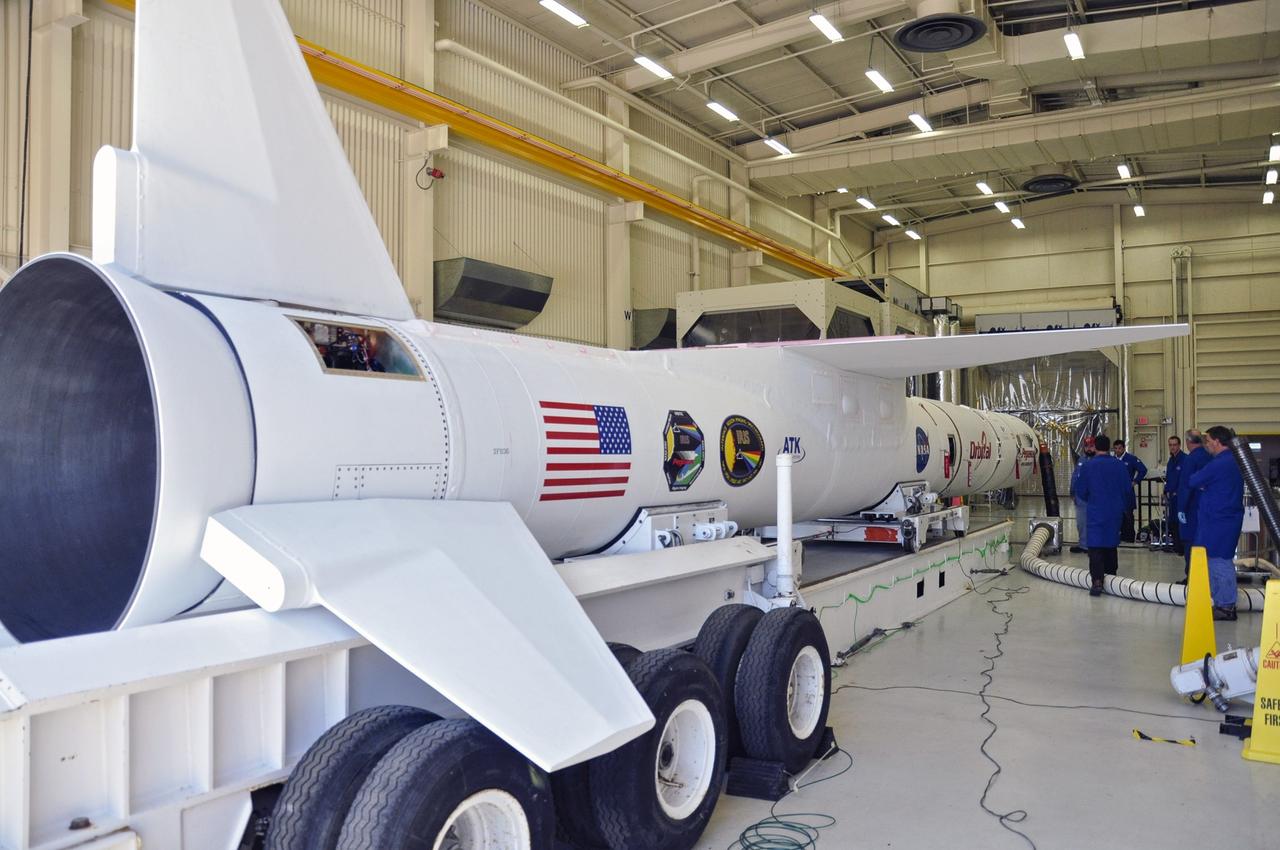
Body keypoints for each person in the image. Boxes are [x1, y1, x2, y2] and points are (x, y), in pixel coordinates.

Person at [1188, 426, 1245, 620]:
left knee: (1219, 561)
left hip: (1219, 521)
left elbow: (1195, 480)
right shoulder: (1233, 461)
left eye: (1208, 441)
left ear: (1217, 442)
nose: (1206, 445)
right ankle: (1220, 602)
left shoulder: (1220, 463)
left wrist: (1204, 483)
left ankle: (1226, 606)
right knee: (1215, 560)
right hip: (1223, 518)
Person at [1076, 435, 1136, 596]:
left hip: (1095, 510)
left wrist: (1093, 499)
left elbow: (1080, 491)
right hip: (1114, 511)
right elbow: (1127, 489)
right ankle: (1111, 577)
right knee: (1111, 544)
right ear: (1109, 447)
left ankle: (1097, 582)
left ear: (1095, 447)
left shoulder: (1088, 466)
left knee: (1095, 546)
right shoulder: (1119, 465)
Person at [1176, 430, 1211, 579]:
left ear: (1188, 442)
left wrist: (1181, 508)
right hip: (1208, 506)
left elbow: (1186, 485)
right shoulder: (1210, 456)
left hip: (1192, 507)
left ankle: (1192, 576)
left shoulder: (1191, 459)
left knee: (1191, 541)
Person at [1112, 440, 1147, 543]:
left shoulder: (1131, 459)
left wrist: (1135, 481)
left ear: (1123, 448)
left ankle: (1129, 537)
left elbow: (1143, 470)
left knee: (1128, 515)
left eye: (1119, 448)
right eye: (1115, 448)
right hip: (1115, 493)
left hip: (1127, 492)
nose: (1117, 450)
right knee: (1116, 515)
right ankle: (1118, 536)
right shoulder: (1112, 460)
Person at [1069, 436, 1097, 553]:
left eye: (1091, 446)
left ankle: (1094, 546)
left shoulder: (1098, 461)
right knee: (1081, 522)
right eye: (1086, 446)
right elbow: (1076, 476)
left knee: (1094, 522)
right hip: (1080, 497)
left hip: (1094, 497)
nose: (1089, 449)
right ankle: (1083, 544)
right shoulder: (1081, 460)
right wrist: (1073, 492)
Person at [1163, 435, 1187, 553]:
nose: (1172, 447)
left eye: (1174, 445)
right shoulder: (1171, 461)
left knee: (1180, 522)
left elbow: (1185, 479)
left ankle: (1182, 548)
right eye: (1170, 445)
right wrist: (1166, 491)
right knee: (1172, 522)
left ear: (1179, 445)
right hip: (1171, 497)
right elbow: (1169, 478)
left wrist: (1178, 492)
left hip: (1180, 496)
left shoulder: (1184, 460)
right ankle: (1177, 546)